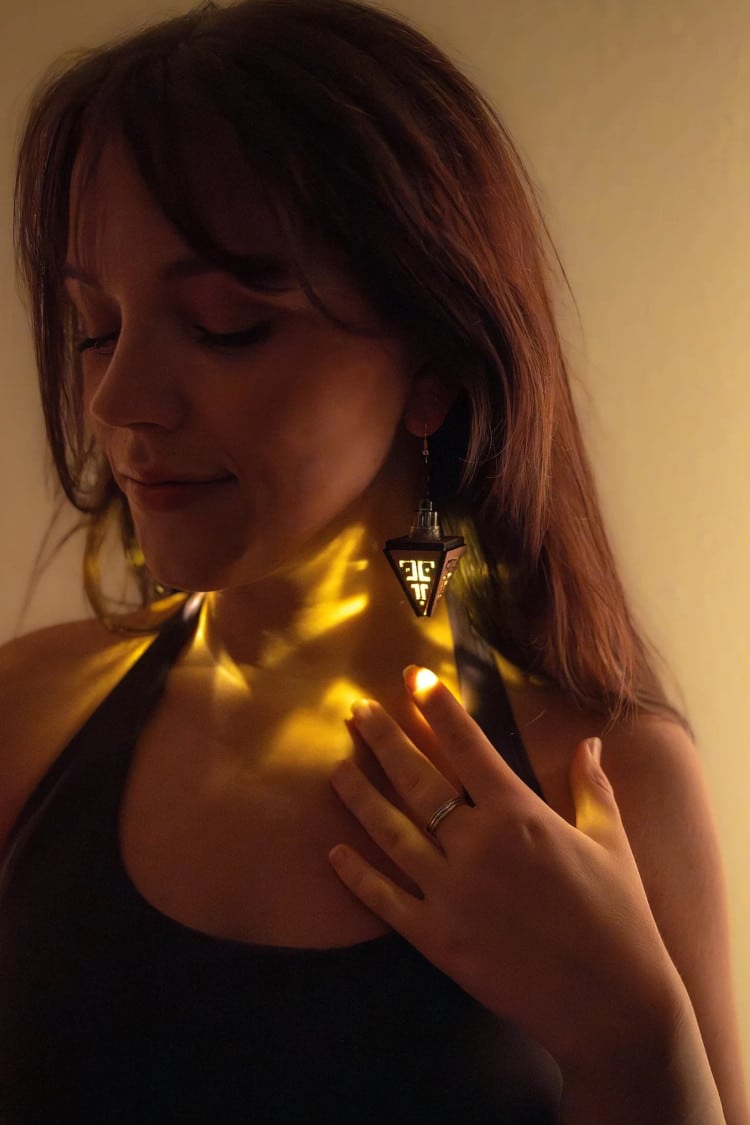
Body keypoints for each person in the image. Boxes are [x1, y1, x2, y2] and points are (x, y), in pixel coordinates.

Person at [0, 0, 746, 1121]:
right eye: (96, 327)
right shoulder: (23, 718)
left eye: (225, 325)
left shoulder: (604, 780)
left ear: (433, 367)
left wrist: (639, 1042)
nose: (117, 397)